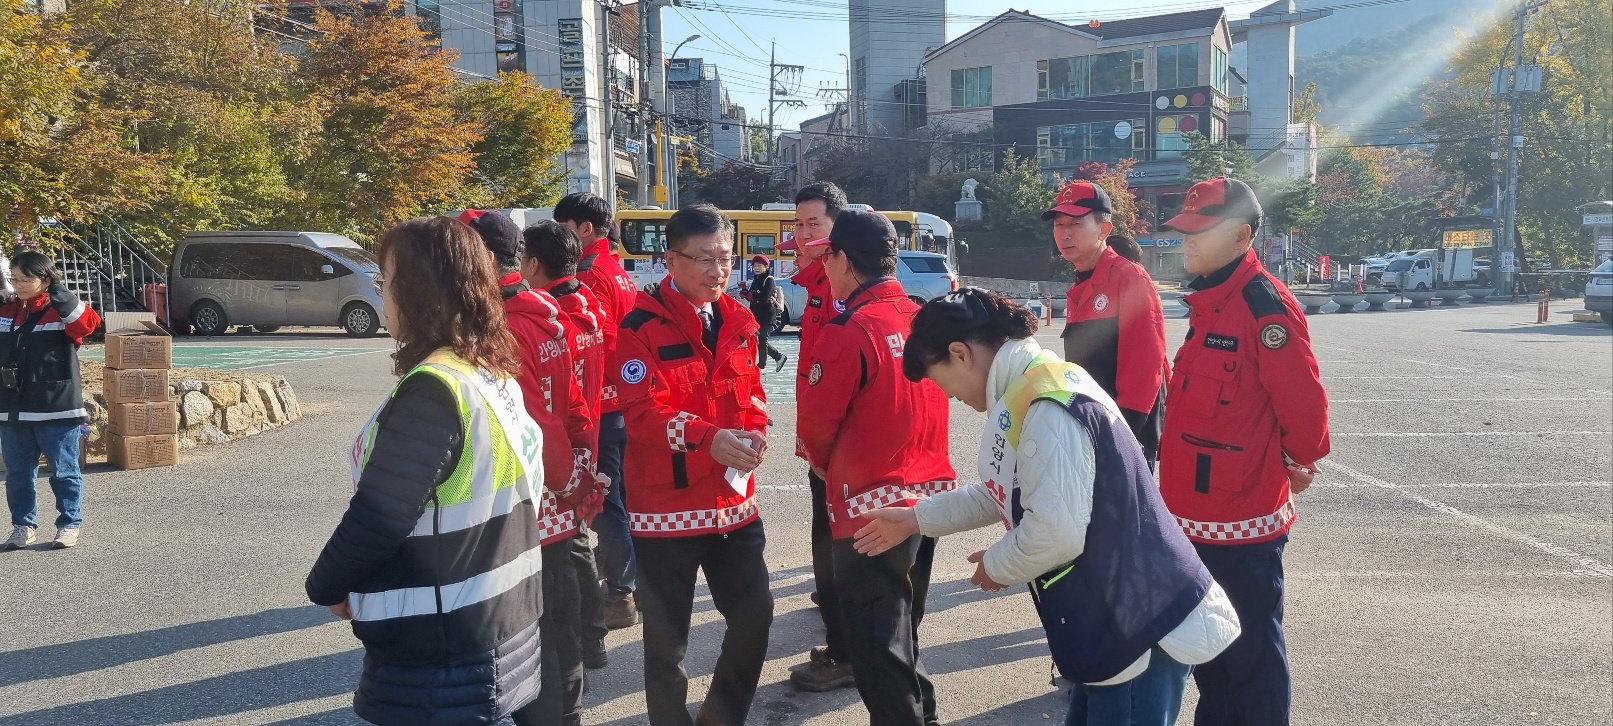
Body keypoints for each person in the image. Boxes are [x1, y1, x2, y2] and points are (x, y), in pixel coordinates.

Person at [857, 287, 1242, 726]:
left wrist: (996, 565)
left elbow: (1054, 532)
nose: (946, 395)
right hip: (1119, 616)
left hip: (1138, 622)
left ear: (960, 354)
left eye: (938, 378)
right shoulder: (1035, 385)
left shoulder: (1047, 406)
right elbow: (1003, 489)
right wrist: (916, 518)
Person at [304, 217, 549, 725]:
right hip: (496, 615)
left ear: (419, 292)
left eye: (387, 280)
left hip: (441, 640)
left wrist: (326, 584)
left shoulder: (435, 389)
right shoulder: (485, 369)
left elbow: (380, 516)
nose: (383, 295)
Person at [1157, 176, 1331, 726]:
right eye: (1184, 229)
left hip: (1241, 523)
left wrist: (1294, 462)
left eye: (1200, 230)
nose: (1187, 240)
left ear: (1241, 236)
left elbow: (1305, 412)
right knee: (1211, 654)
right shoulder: (1210, 301)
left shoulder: (1262, 305)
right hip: (1192, 516)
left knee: (1250, 659)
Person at [609, 204, 773, 726]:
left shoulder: (740, 320)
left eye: (725, 258)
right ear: (671, 260)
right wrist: (707, 438)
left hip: (733, 505)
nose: (717, 270)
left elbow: (753, 394)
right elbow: (641, 415)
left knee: (755, 616)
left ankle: (721, 716)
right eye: (704, 258)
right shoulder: (638, 327)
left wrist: (757, 432)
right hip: (666, 511)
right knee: (667, 643)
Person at [796, 209, 957, 726]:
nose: (825, 268)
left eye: (828, 257)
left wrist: (825, 467)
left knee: (875, 645)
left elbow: (817, 426)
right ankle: (926, 715)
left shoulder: (851, 329)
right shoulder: (921, 318)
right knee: (903, 628)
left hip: (871, 505)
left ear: (843, 259)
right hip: (928, 496)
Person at [459, 210, 601, 726]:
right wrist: (581, 474)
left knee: (533, 631)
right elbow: (574, 404)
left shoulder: (505, 328)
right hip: (554, 497)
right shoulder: (544, 315)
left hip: (528, 501)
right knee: (557, 621)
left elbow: (536, 420)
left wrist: (569, 481)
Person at [782, 181, 858, 693]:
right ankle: (839, 622)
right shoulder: (815, 280)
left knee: (835, 539)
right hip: (820, 436)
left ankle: (845, 649)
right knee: (826, 536)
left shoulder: (838, 286)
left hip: (837, 443)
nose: (803, 234)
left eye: (814, 224)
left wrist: (823, 446)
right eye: (799, 224)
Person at [555, 192, 641, 635]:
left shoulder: (588, 274)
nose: (561, 237)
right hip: (623, 400)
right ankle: (627, 579)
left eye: (565, 227)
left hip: (602, 404)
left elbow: (595, 344)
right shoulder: (617, 270)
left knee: (605, 501)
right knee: (621, 495)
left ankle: (621, 593)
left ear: (585, 228)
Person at [1046, 181, 1170, 467]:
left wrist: (1120, 435)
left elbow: (1145, 367)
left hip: (1123, 434)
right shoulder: (1082, 282)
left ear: (1103, 230)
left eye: (1075, 224)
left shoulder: (1129, 277)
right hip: (1093, 427)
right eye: (1059, 224)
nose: (1064, 233)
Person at [2, 252, 101, 551]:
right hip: (13, 408)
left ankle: (69, 524)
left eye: (25, 279)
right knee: (17, 475)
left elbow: (87, 325)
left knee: (64, 471)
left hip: (57, 407)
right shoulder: (7, 309)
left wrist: (58, 291)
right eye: (14, 278)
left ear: (45, 280)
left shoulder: (60, 308)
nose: (18, 285)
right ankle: (23, 526)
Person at [743, 254, 787, 372]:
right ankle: (779, 357)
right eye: (754, 266)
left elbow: (765, 297)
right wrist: (745, 293)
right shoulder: (756, 280)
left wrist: (752, 295)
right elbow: (752, 296)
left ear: (766, 267)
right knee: (760, 339)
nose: (756, 268)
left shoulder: (769, 280)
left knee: (762, 338)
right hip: (756, 314)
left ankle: (761, 365)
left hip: (768, 315)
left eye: (759, 265)